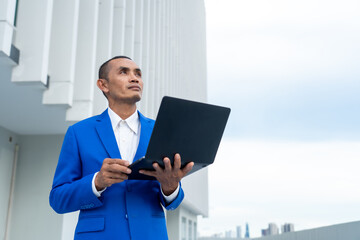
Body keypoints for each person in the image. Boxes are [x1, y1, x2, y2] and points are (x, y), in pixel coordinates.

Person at [49, 56, 194, 240]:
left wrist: (171, 187)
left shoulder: (161, 131)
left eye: (138, 74)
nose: (135, 78)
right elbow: (58, 199)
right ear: (103, 85)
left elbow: (173, 202)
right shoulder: (79, 133)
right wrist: (97, 182)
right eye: (124, 72)